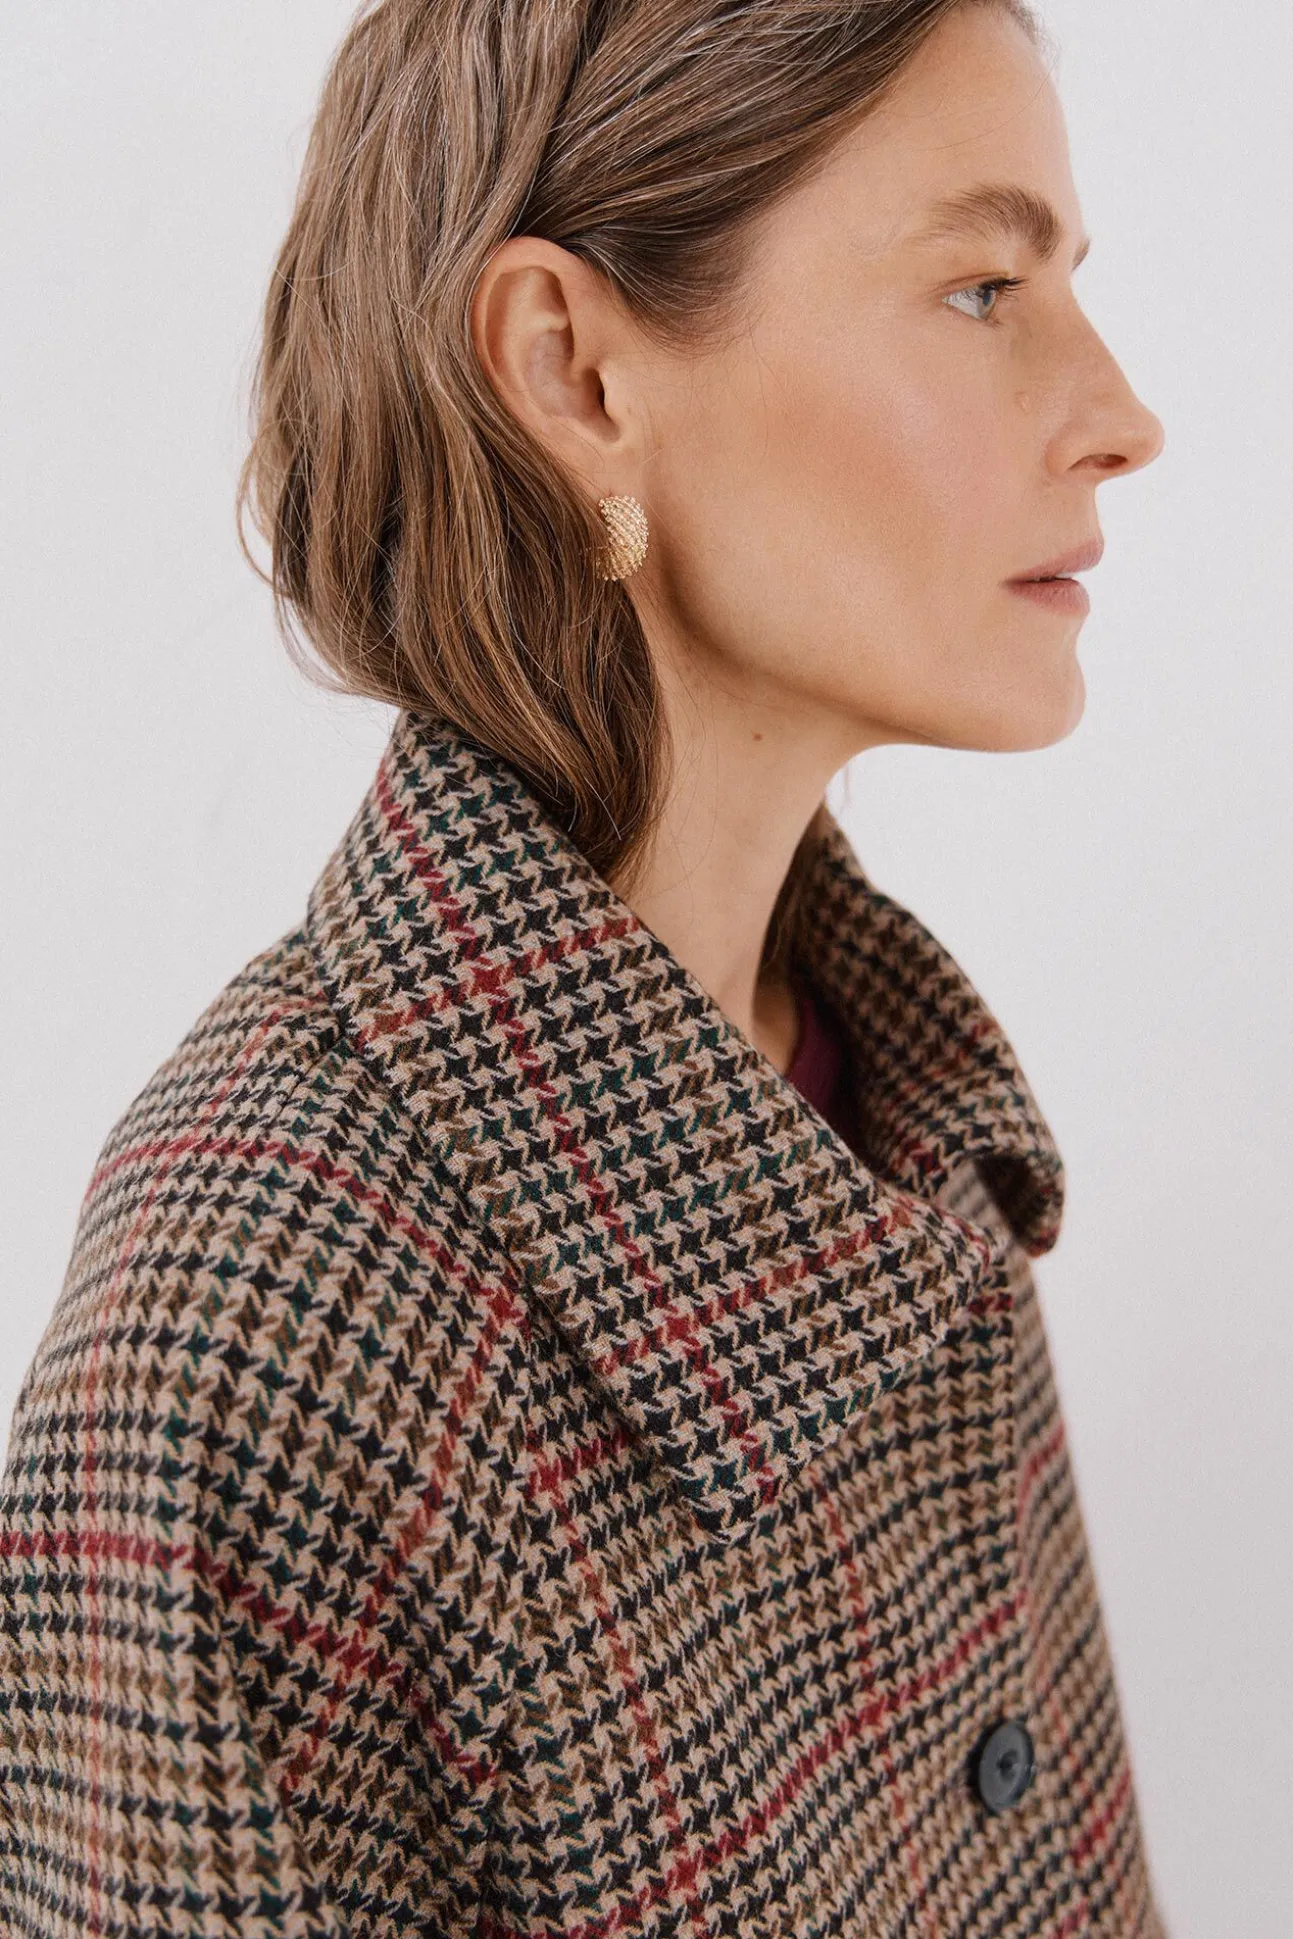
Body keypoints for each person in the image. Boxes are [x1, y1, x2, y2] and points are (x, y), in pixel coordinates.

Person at [0, 1, 1167, 1934]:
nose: (1122, 413)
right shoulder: (264, 1338)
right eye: (981, 288)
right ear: (574, 366)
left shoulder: (892, 1112)